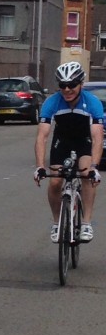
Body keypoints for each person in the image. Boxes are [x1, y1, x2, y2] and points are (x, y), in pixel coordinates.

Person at [34, 61, 103, 242]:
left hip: (83, 141)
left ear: (81, 84)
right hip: (62, 141)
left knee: (86, 174)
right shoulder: (52, 102)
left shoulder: (93, 102)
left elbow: (97, 137)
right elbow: (42, 136)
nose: (67, 89)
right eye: (62, 85)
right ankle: (57, 223)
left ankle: (86, 223)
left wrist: (95, 167)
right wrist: (40, 166)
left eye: (71, 85)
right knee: (55, 181)